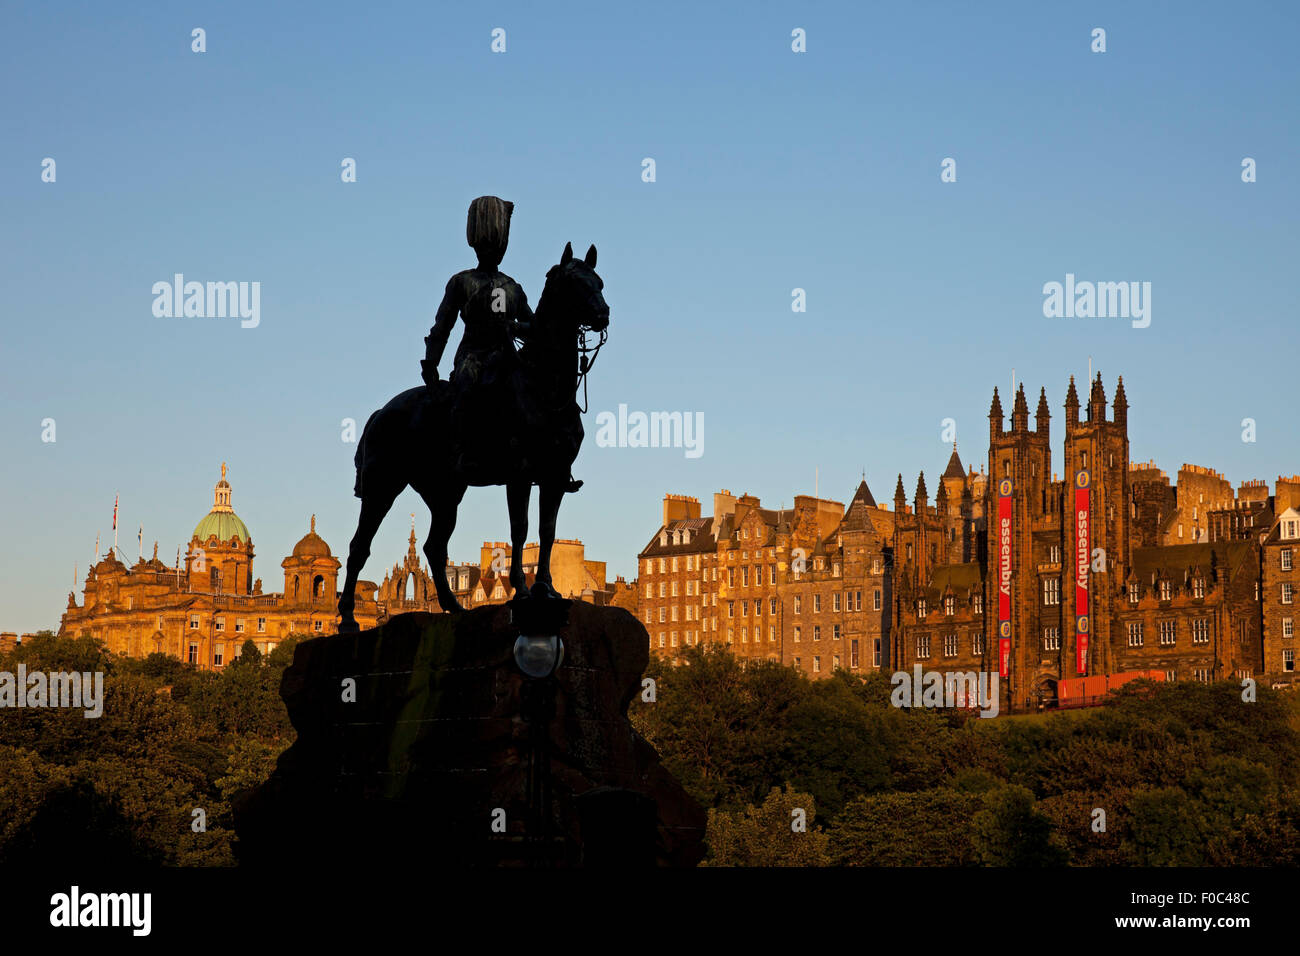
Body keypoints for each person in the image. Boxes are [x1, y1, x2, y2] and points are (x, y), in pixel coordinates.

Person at [421, 196, 533, 482]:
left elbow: (534, 327)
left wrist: (514, 329)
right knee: (469, 383)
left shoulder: (513, 288)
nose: (493, 250)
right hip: (473, 355)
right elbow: (442, 326)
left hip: (506, 357)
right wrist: (431, 362)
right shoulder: (461, 281)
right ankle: (462, 451)